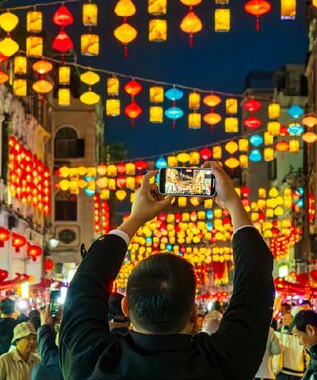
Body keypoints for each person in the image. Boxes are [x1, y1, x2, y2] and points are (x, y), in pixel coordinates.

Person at [59, 163, 275, 380]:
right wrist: (232, 203)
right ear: (193, 313)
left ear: (126, 307)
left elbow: (84, 285)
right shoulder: (222, 361)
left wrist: (135, 219)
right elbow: (255, 285)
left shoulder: (92, 360)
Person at [275, 310, 306, 380]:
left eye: (287, 319)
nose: (285, 321)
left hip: (283, 370)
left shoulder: (279, 332)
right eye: (284, 319)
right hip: (298, 371)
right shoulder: (301, 333)